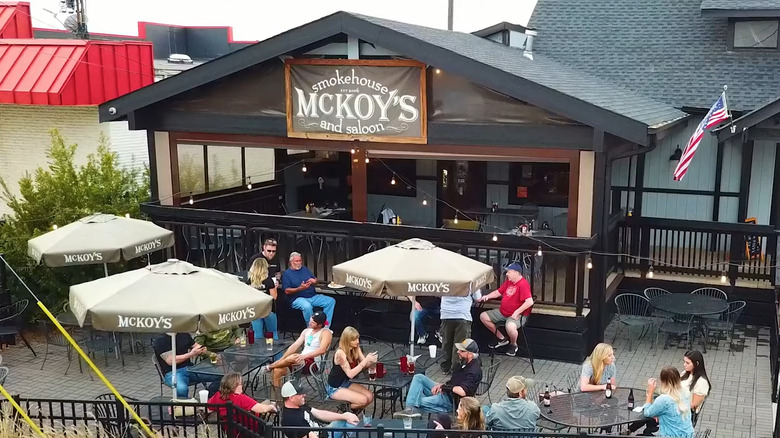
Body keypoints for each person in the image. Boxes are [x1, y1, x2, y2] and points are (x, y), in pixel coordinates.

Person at [402, 338, 482, 414]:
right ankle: (411, 409)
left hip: (450, 401)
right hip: (446, 393)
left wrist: (445, 387)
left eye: (461, 351)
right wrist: (441, 385)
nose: (458, 352)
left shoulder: (473, 371)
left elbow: (462, 391)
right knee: (419, 377)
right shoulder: (464, 363)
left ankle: (410, 411)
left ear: (470, 354)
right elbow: (455, 380)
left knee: (417, 401)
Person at [261, 311, 332, 387]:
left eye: (313, 323)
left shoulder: (325, 333)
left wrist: (304, 356)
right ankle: (277, 397)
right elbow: (295, 345)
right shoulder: (306, 331)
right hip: (300, 360)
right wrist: (283, 358)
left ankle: (269, 367)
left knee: (293, 357)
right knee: (277, 370)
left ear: (320, 325)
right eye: (310, 321)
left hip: (314, 362)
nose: (310, 323)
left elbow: (322, 350)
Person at [477, 262, 534, 356]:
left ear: (516, 272)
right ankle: (502, 338)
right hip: (503, 312)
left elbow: (529, 302)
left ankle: (513, 345)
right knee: (483, 316)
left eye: (509, 272)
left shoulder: (523, 284)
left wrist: (516, 312)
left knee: (510, 326)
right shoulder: (509, 281)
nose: (507, 274)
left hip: (517, 316)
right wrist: (487, 296)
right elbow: (498, 292)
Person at [281, 381, 359, 438]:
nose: (304, 395)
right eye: (300, 394)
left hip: (324, 431)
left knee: (350, 419)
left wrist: (344, 416)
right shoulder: (291, 420)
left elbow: (318, 413)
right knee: (357, 427)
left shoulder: (298, 405)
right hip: (322, 435)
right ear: (291, 398)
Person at [153, 333, 220, 398]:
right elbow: (170, 361)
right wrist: (191, 354)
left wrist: (212, 356)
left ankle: (208, 397)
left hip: (190, 368)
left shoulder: (184, 334)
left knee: (221, 375)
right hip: (172, 372)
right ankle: (182, 407)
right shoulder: (160, 340)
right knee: (181, 389)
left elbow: (198, 347)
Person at [326, 326, 376, 411]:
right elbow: (350, 374)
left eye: (357, 338)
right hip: (336, 386)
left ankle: (353, 412)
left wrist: (371, 360)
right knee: (363, 400)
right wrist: (366, 361)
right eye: (354, 339)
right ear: (347, 340)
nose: (357, 341)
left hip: (346, 382)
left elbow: (365, 364)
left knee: (370, 397)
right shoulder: (340, 353)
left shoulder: (355, 348)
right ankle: (346, 410)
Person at [281, 252, 335, 327]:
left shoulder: (305, 269)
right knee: (307, 306)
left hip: (312, 296)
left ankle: (325, 327)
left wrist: (314, 281)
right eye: (296, 261)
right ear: (291, 262)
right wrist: (300, 288)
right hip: (297, 299)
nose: (299, 263)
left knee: (330, 301)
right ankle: (311, 328)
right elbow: (287, 291)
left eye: (300, 261)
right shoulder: (287, 274)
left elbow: (315, 280)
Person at [641, 366, 695, 438]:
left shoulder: (664, 400)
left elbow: (647, 413)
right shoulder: (685, 391)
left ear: (662, 381)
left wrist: (650, 393)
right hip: (688, 434)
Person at [439, 289, 482, 374]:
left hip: (446, 314)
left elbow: (439, 292)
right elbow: (478, 298)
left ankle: (446, 367)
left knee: (446, 342)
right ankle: (456, 369)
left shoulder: (444, 277)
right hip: (463, 315)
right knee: (460, 345)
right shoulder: (470, 279)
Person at [207, 372, 277, 417]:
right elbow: (262, 409)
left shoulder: (218, 395)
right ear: (235, 386)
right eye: (241, 384)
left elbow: (208, 409)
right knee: (268, 403)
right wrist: (271, 407)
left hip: (229, 429)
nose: (242, 385)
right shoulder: (241, 398)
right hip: (250, 428)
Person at [249, 257, 278, 340]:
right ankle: (275, 352)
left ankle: (259, 352)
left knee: (257, 335)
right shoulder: (269, 281)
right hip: (268, 310)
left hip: (255, 310)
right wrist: (275, 287)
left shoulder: (250, 281)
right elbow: (274, 297)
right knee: (272, 333)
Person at [681, 350, 711, 422]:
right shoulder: (685, 373)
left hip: (685, 415)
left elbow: (693, 405)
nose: (684, 364)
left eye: (687, 363)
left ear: (696, 364)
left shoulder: (702, 382)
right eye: (684, 362)